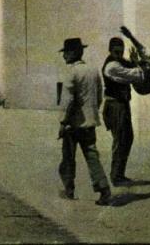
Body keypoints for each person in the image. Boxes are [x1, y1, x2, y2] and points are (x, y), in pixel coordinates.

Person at [57, 38, 112, 206]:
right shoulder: (93, 70)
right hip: (89, 123)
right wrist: (92, 114)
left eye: (65, 52)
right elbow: (99, 96)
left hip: (72, 124)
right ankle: (103, 189)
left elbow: (68, 101)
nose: (64, 56)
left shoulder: (71, 72)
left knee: (68, 157)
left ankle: (69, 189)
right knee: (92, 156)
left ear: (73, 53)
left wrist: (63, 122)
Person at [101, 37, 145, 186]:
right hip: (115, 106)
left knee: (126, 138)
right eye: (116, 51)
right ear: (110, 50)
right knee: (121, 140)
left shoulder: (119, 62)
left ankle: (119, 174)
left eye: (121, 51)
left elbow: (132, 69)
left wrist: (133, 62)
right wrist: (136, 64)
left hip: (121, 105)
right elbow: (137, 75)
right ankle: (116, 176)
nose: (119, 54)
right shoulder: (112, 66)